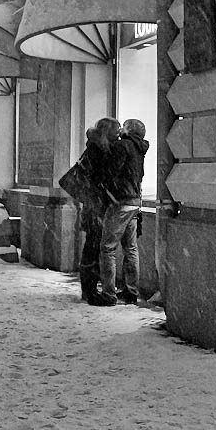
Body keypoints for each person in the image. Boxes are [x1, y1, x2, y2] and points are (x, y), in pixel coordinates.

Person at [95, 117, 149, 306]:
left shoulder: (122, 146)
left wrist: (106, 190)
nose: (120, 129)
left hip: (120, 202)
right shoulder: (139, 149)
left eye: (124, 126)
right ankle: (131, 292)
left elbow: (111, 172)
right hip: (135, 201)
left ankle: (108, 294)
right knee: (131, 249)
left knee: (107, 248)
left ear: (129, 129)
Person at [76, 117, 119, 305]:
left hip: (95, 203)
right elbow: (97, 178)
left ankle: (89, 288)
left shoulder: (95, 148)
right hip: (95, 205)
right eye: (116, 131)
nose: (118, 135)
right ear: (107, 132)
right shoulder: (97, 151)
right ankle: (90, 289)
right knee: (93, 247)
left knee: (93, 246)